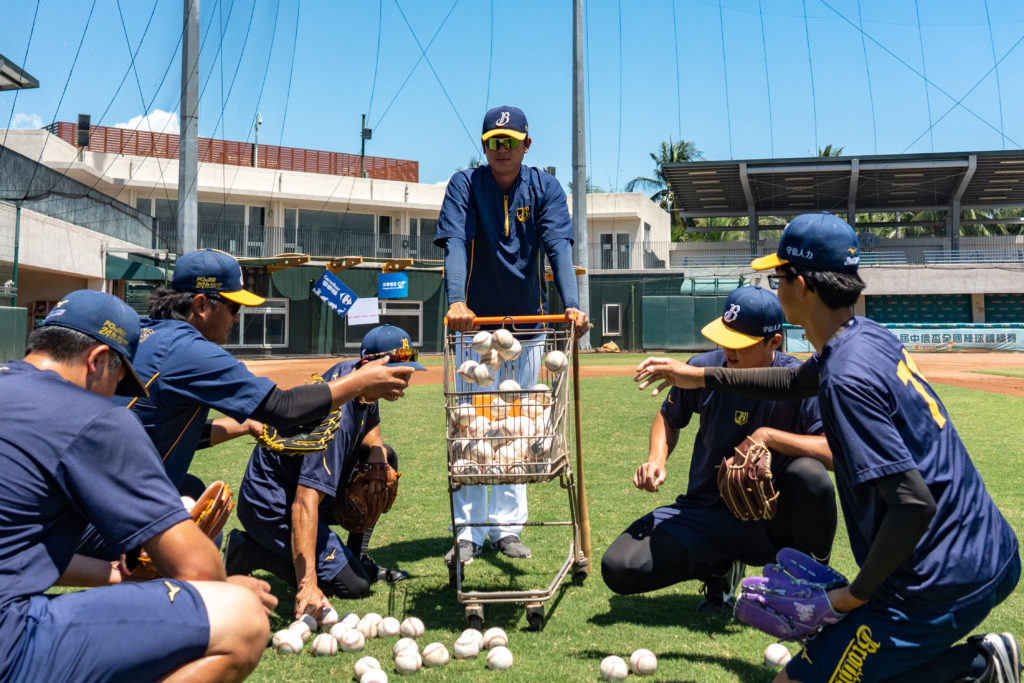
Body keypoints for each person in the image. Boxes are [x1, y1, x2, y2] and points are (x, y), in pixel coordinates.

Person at [636, 212, 1021, 683]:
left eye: (777, 277)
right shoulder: (867, 337)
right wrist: (699, 375)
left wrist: (852, 597)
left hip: (936, 578)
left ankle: (979, 670)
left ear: (800, 285)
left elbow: (912, 503)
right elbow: (796, 380)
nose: (775, 287)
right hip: (987, 547)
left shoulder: (846, 378)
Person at [0, 290, 276, 682]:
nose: (114, 396)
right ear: (97, 360)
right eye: (118, 379)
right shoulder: (91, 415)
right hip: (7, 645)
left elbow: (22, 551)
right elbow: (197, 570)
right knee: (240, 616)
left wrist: (117, 574)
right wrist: (226, 584)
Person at [76, 248, 414, 561]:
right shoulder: (190, 350)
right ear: (201, 306)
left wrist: (246, 425)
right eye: (233, 307)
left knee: (190, 487)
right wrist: (359, 382)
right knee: (206, 514)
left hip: (81, 491)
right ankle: (174, 592)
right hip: (97, 515)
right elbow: (282, 407)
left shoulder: (144, 334)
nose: (237, 319)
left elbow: (166, 429)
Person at [601, 286, 835, 613]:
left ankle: (811, 583)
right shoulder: (703, 368)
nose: (728, 351)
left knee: (811, 475)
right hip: (707, 511)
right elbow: (669, 417)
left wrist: (770, 437)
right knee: (619, 566)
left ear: (774, 343)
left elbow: (834, 453)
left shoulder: (799, 380)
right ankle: (720, 569)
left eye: (740, 344)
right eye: (725, 339)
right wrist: (657, 459)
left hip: (770, 520)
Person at [434, 105, 588, 566]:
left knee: (516, 430)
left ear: (527, 143)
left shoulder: (544, 187)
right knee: (471, 429)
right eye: (493, 142)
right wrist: (456, 301)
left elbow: (558, 245)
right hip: (475, 328)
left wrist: (572, 304)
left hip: (529, 327)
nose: (502, 149)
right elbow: (457, 241)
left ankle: (505, 529)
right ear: (484, 146)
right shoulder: (466, 184)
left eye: (510, 140)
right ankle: (468, 532)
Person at [227, 325, 425, 619]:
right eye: (398, 370)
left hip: (298, 490)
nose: (406, 378)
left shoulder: (356, 379)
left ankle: (357, 556)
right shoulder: (336, 419)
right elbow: (304, 502)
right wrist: (308, 585)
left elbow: (371, 429)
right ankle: (247, 550)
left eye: (408, 369)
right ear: (370, 366)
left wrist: (377, 453)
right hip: (271, 506)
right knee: (354, 585)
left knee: (384, 460)